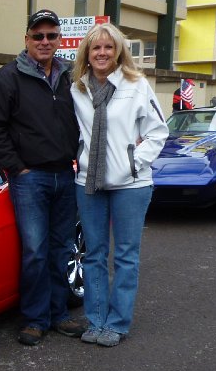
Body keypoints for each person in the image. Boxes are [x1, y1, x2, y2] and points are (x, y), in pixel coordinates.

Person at [0, 9, 84, 346]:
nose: (44, 41)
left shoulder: (72, 77)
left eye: (51, 35)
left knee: (60, 249)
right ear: (26, 39)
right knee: (36, 251)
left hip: (65, 176)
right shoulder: (5, 79)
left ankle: (58, 315)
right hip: (31, 179)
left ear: (59, 40)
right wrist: (17, 168)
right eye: (37, 35)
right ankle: (35, 319)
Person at [70, 22, 168, 347]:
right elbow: (72, 132)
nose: (102, 53)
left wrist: (132, 162)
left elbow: (158, 132)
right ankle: (96, 320)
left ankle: (118, 323)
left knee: (126, 255)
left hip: (131, 184)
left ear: (118, 52)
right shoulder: (78, 88)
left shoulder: (135, 84)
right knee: (94, 254)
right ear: (87, 52)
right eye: (96, 47)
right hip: (88, 181)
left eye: (108, 47)